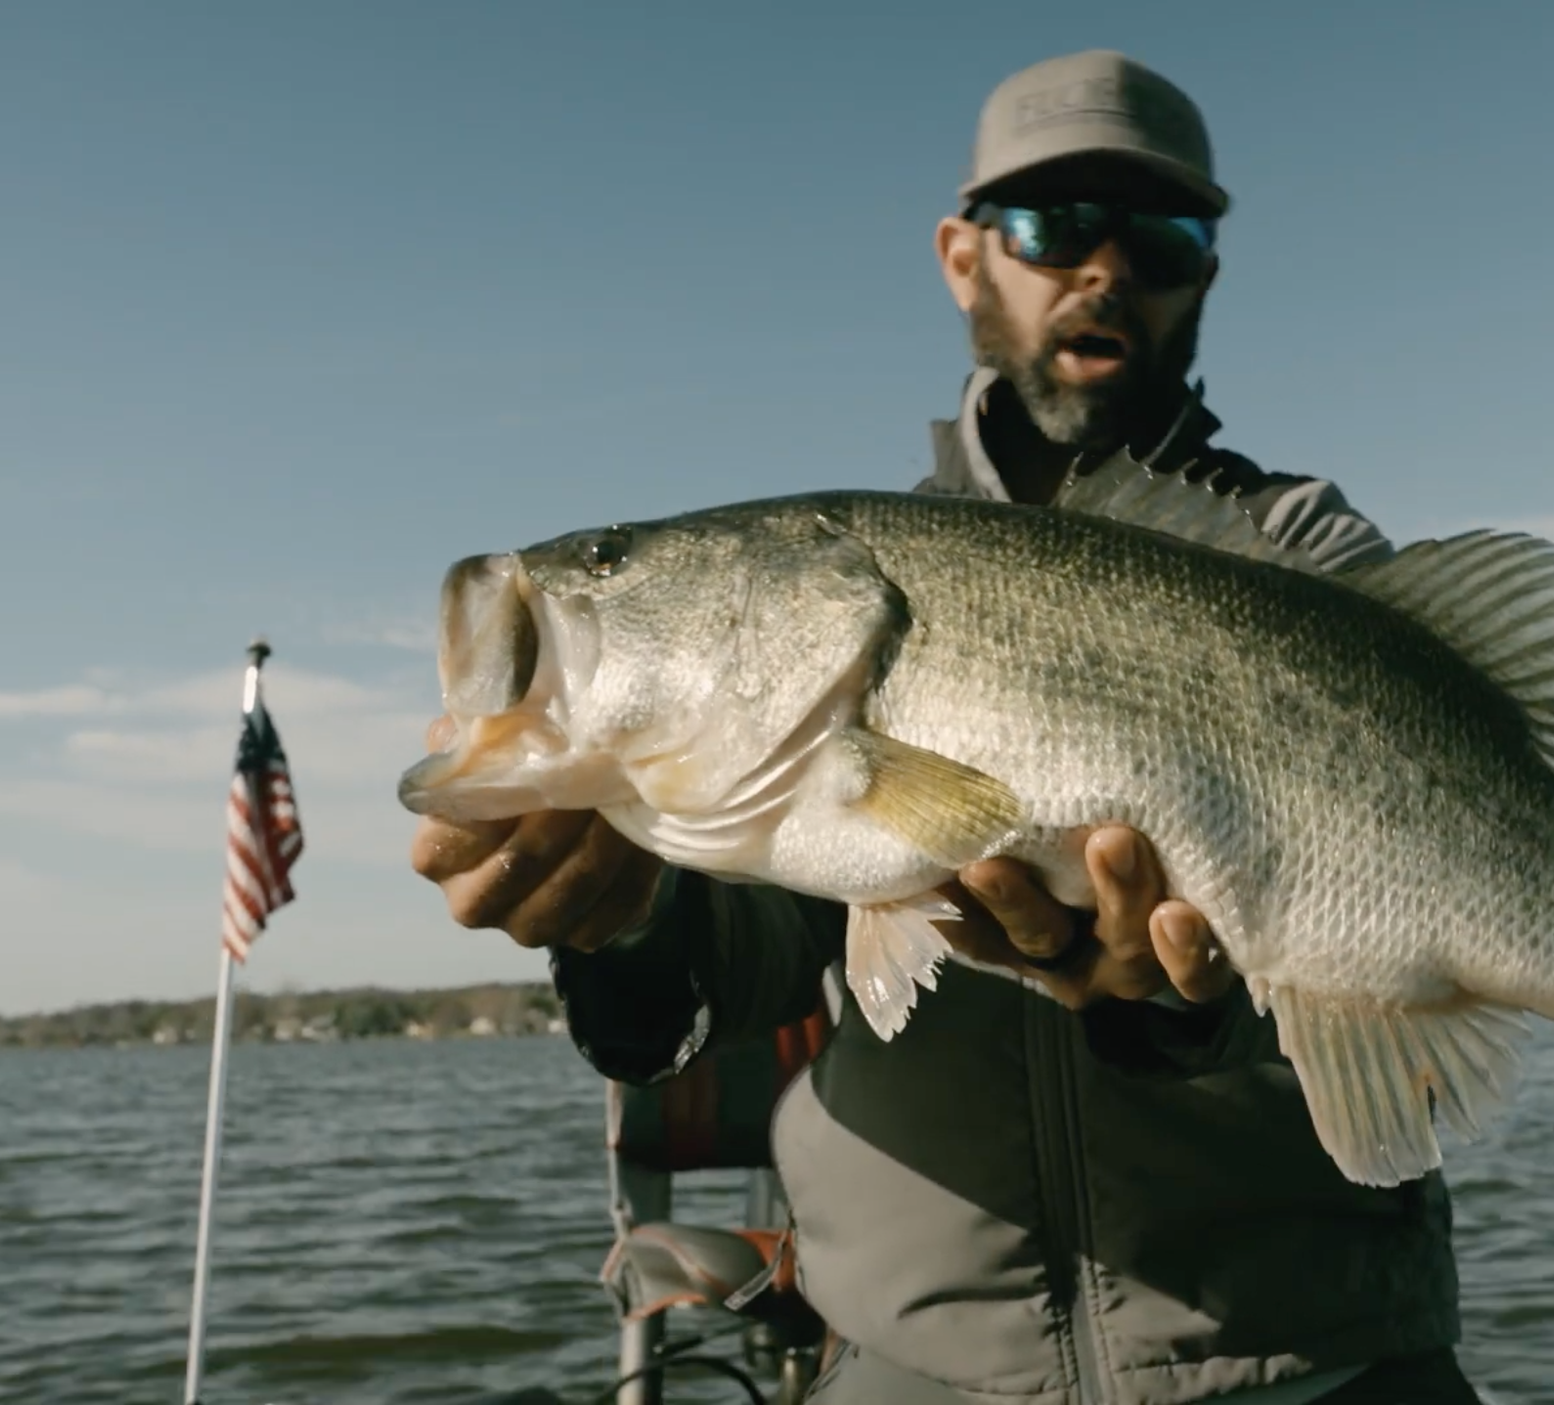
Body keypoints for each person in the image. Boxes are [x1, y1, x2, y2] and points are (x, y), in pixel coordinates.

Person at [413, 50, 1480, 1404]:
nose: (1104, 269)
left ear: (1204, 272)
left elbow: (1399, 951)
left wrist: (1171, 1021)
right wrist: (619, 916)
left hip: (1319, 1360)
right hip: (918, 1365)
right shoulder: (835, 590)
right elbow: (748, 961)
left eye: (1158, 236)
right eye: (1050, 229)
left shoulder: (1308, 566)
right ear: (965, 257)